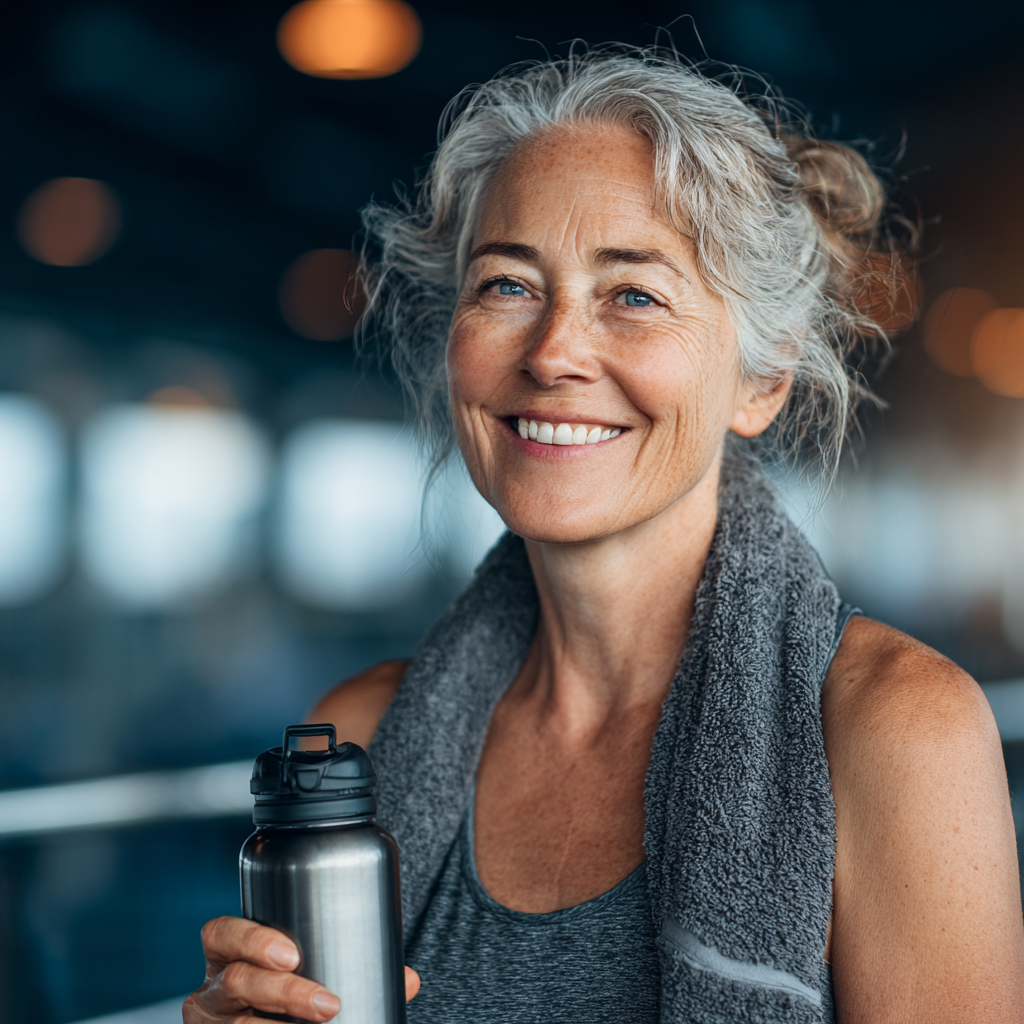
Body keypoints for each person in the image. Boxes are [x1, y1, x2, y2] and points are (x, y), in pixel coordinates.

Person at [184, 49, 1023, 1023]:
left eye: (633, 295)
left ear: (763, 379)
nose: (551, 354)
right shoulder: (363, 737)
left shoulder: (892, 730)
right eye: (506, 285)